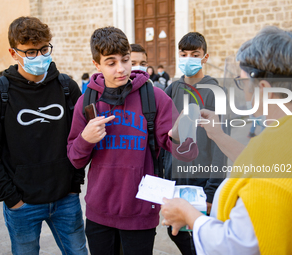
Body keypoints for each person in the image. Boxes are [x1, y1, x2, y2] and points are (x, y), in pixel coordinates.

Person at [161, 26, 292, 255]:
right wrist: (219, 135)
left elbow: (234, 245)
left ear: (264, 88)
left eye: (243, 83)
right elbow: (264, 161)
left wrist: (189, 215)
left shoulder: (268, 179)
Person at [67, 26, 198, 255]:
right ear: (96, 64)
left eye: (125, 60)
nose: (121, 69)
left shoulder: (154, 98)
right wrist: (85, 140)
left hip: (140, 213)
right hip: (99, 213)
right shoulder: (87, 102)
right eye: (111, 62)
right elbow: (75, 160)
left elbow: (185, 152)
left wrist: (183, 135)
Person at [0, 16, 87, 255]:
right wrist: (11, 198)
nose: (39, 57)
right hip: (22, 205)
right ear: (13, 52)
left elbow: (80, 141)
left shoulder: (67, 88)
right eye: (30, 52)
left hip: (66, 200)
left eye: (44, 49)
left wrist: (74, 184)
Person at [162, 31, 225, 255]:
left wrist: (211, 191)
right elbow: (165, 135)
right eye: (184, 54)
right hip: (175, 179)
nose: (188, 58)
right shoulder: (173, 89)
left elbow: (221, 146)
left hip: (201, 181)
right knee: (175, 231)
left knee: (197, 240)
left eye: (194, 54)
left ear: (205, 57)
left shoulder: (215, 92)